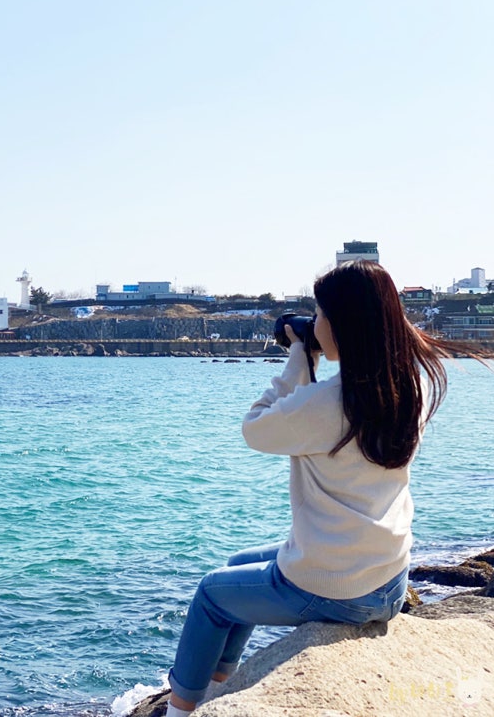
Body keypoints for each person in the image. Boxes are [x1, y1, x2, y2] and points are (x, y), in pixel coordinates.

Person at [164, 259, 489, 716]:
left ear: (343, 325)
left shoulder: (327, 403)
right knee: (237, 564)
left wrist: (299, 357)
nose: (314, 324)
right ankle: (222, 683)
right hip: (389, 580)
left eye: (319, 315)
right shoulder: (405, 388)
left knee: (212, 595)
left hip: (340, 591)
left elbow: (256, 428)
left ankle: (179, 709)